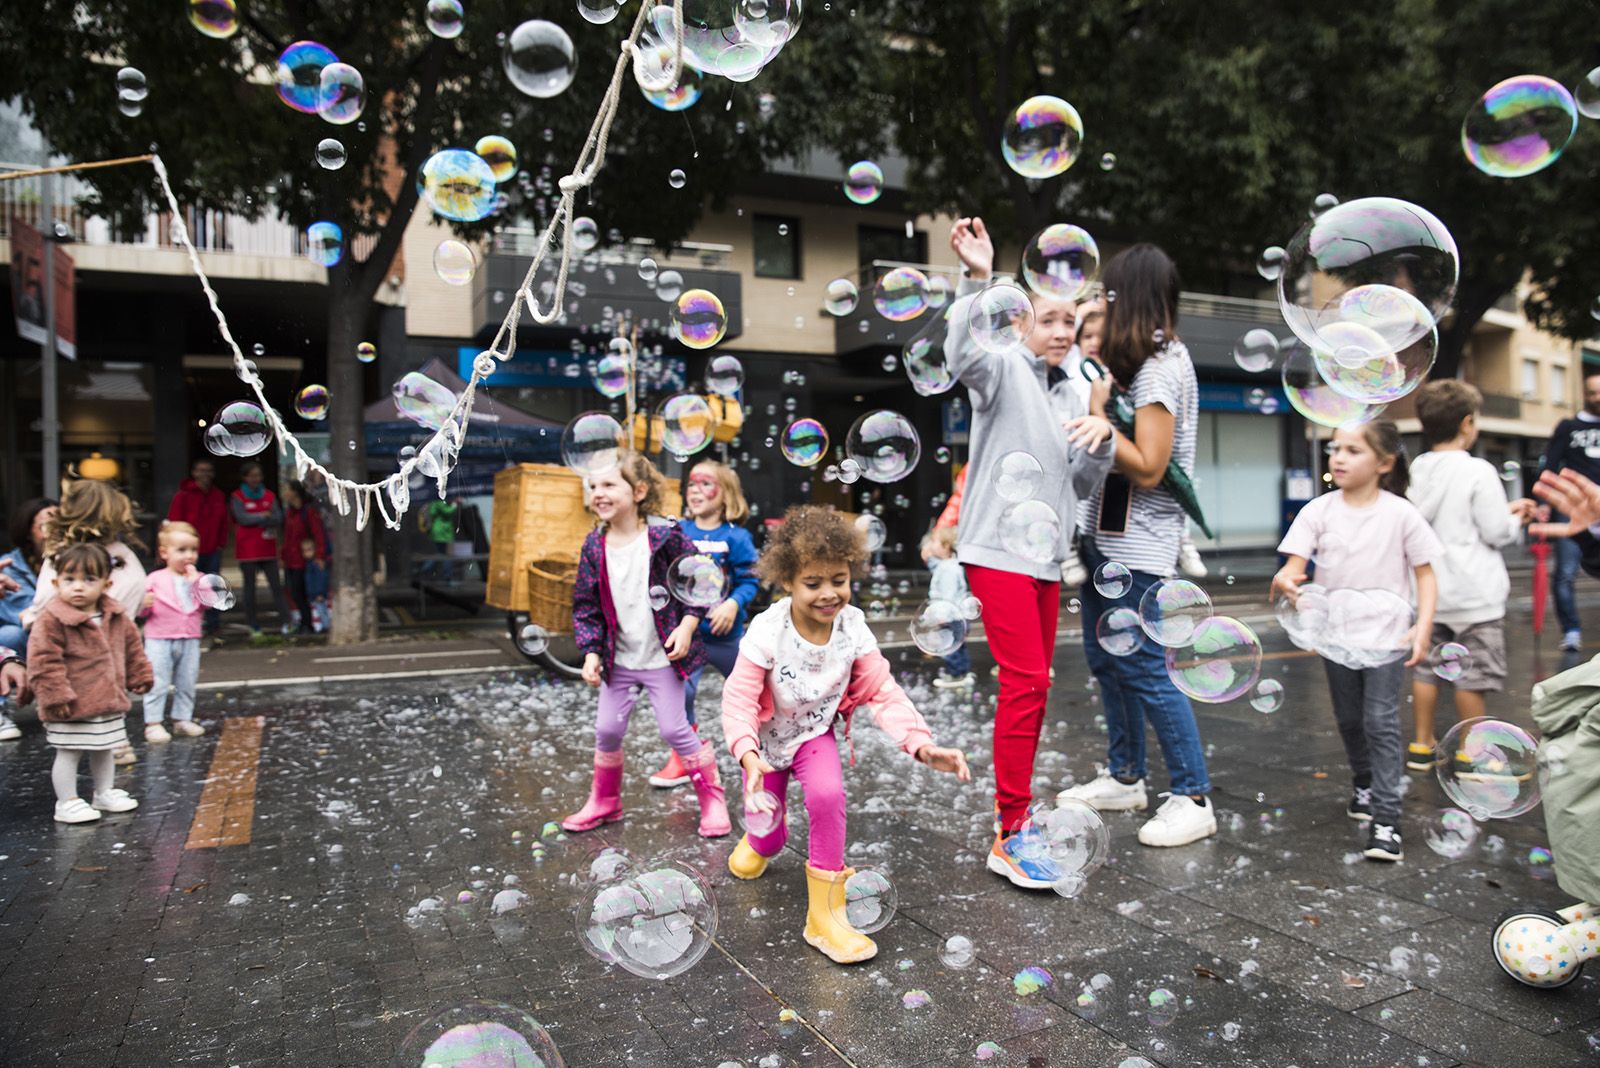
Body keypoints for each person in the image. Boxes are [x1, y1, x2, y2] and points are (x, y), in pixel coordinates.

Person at [945, 215, 1115, 888]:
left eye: (1070, 321)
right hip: (996, 550)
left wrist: (1099, 446)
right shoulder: (1002, 369)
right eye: (1048, 319)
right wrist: (979, 278)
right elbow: (962, 356)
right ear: (1021, 325)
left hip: (1044, 555)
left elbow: (1073, 483)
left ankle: (1014, 818)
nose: (1062, 330)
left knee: (1036, 689)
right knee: (1027, 683)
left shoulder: (1075, 390)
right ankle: (1010, 832)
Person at [721, 505, 971, 964]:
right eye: (812, 583)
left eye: (838, 579)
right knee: (769, 838)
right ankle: (758, 842)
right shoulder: (767, 630)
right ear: (788, 582)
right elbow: (738, 698)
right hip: (765, 745)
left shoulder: (852, 627)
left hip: (815, 735)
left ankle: (825, 918)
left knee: (828, 796)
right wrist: (747, 753)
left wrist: (920, 743)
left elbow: (881, 689)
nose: (828, 593)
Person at [1058, 245, 1218, 849]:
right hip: (1109, 542)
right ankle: (1126, 775)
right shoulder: (1139, 363)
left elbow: (1151, 466)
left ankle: (1193, 795)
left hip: (1143, 550)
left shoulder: (1159, 368)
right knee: (1110, 662)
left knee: (1148, 669)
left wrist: (1102, 420)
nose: (1099, 302)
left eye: (1108, 294)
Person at [1273, 421, 1441, 862]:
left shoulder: (1401, 513)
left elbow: (1426, 573)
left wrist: (1422, 627)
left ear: (1384, 463)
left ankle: (1387, 820)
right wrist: (1287, 580)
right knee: (1349, 719)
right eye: (1335, 448)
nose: (1339, 457)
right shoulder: (1319, 511)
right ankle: (1364, 783)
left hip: (1387, 637)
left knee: (1380, 722)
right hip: (1337, 636)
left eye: (1353, 450)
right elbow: (1294, 567)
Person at [564, 452, 730, 838]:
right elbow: (585, 605)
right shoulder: (594, 544)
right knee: (606, 730)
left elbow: (702, 582)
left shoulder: (664, 535)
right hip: (618, 660)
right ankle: (605, 801)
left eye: (608, 485)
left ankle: (712, 798)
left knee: (675, 730)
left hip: (662, 659)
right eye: (593, 487)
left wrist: (688, 627)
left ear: (639, 491)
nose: (598, 494)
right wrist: (590, 651)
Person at [1405, 381, 1535, 771]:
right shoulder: (1478, 469)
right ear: (1466, 424)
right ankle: (1470, 751)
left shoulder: (1418, 467)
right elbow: (1495, 530)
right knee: (1471, 675)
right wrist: (1515, 518)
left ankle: (1421, 745)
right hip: (1474, 594)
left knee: (1427, 669)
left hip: (1430, 594)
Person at [1071, 299, 1204, 582]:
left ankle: (1184, 541)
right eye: (1086, 336)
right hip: (1101, 522)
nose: (1094, 343)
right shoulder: (1077, 374)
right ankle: (1071, 548)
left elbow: (1146, 466)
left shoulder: (1147, 370)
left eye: (1101, 336)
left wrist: (1100, 412)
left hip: (1132, 539)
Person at [649, 460, 759, 789]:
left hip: (727, 638)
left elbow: (750, 581)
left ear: (726, 494)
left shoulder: (736, 537)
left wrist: (732, 603)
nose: (695, 491)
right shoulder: (678, 531)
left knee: (753, 692)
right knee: (681, 694)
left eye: (705, 484)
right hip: (689, 637)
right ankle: (684, 757)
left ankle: (761, 750)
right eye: (692, 485)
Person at [26, 543, 153, 823]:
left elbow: (132, 647)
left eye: (89, 580)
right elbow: (42, 660)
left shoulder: (114, 614)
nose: (78, 587)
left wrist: (140, 674)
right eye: (70, 580)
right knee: (69, 751)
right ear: (57, 582)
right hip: (70, 702)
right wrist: (55, 696)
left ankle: (103, 791)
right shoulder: (52, 619)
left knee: (105, 747)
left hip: (106, 697)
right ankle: (67, 801)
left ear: (106, 584)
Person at [26, 479, 148, 766]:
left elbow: (44, 600)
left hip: (75, 641)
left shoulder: (62, 554)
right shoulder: (120, 555)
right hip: (109, 641)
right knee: (106, 693)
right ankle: (111, 743)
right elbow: (135, 594)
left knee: (81, 695)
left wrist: (34, 618)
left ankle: (92, 744)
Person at [1537, 370, 1600, 651]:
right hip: (1573, 510)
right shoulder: (1568, 427)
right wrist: (1544, 504)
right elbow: (1550, 464)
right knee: (1565, 572)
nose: (1598, 397)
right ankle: (1571, 630)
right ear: (1584, 395)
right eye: (1593, 392)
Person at [139, 521, 208, 743]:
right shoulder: (154, 578)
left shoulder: (200, 578)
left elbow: (213, 602)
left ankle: (182, 718)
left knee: (187, 680)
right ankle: (153, 722)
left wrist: (197, 582)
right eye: (181, 550)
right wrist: (144, 604)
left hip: (190, 637)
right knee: (157, 681)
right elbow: (141, 610)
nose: (189, 555)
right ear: (164, 552)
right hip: (159, 637)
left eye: (193, 550)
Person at [0, 497, 57, 741]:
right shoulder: (10, 567)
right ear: (28, 533)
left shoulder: (74, 560)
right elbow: (25, 615)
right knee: (10, 635)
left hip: (60, 634)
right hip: (27, 636)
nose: (54, 531)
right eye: (45, 525)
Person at [166, 459, 229, 636]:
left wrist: (220, 544)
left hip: (212, 549)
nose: (205, 474)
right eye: (201, 471)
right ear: (194, 473)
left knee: (212, 587)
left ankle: (213, 624)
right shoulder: (183, 495)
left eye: (208, 470)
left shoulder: (218, 495)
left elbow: (224, 522)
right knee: (186, 586)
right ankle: (187, 622)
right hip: (188, 552)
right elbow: (174, 522)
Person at [230, 461, 288, 635]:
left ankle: (287, 621)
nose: (255, 479)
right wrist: (263, 515)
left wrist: (256, 518)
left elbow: (278, 518)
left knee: (277, 587)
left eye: (258, 475)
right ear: (245, 477)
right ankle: (253, 625)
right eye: (252, 475)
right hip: (247, 551)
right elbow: (242, 518)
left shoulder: (269, 495)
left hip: (268, 549)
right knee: (249, 589)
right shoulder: (237, 496)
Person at [922, 525, 975, 688]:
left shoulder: (947, 569)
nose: (931, 545)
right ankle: (964, 671)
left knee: (950, 647)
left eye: (934, 542)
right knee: (958, 646)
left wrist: (941, 617)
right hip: (958, 616)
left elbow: (948, 596)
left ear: (945, 546)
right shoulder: (951, 564)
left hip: (950, 615)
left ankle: (955, 675)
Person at [280, 480, 328, 634]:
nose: (285, 494)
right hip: (291, 559)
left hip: (304, 559)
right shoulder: (289, 512)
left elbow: (318, 534)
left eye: (287, 490)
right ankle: (304, 621)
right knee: (295, 592)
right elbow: (287, 537)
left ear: (295, 492)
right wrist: (283, 556)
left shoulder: (308, 511)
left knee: (303, 592)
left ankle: (308, 623)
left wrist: (319, 555)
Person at [422, 496, 460, 580]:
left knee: (440, 553)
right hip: (443, 532)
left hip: (438, 531)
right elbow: (447, 512)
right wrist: (455, 504)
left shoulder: (432, 501)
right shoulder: (438, 501)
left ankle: (427, 568)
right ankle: (446, 576)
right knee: (447, 555)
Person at [302, 537, 331, 634]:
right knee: (318, 611)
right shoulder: (309, 564)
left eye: (309, 550)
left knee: (322, 610)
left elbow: (321, 579)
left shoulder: (316, 564)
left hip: (318, 593)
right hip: (313, 593)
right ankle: (323, 626)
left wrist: (320, 593)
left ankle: (326, 626)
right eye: (304, 551)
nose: (307, 553)